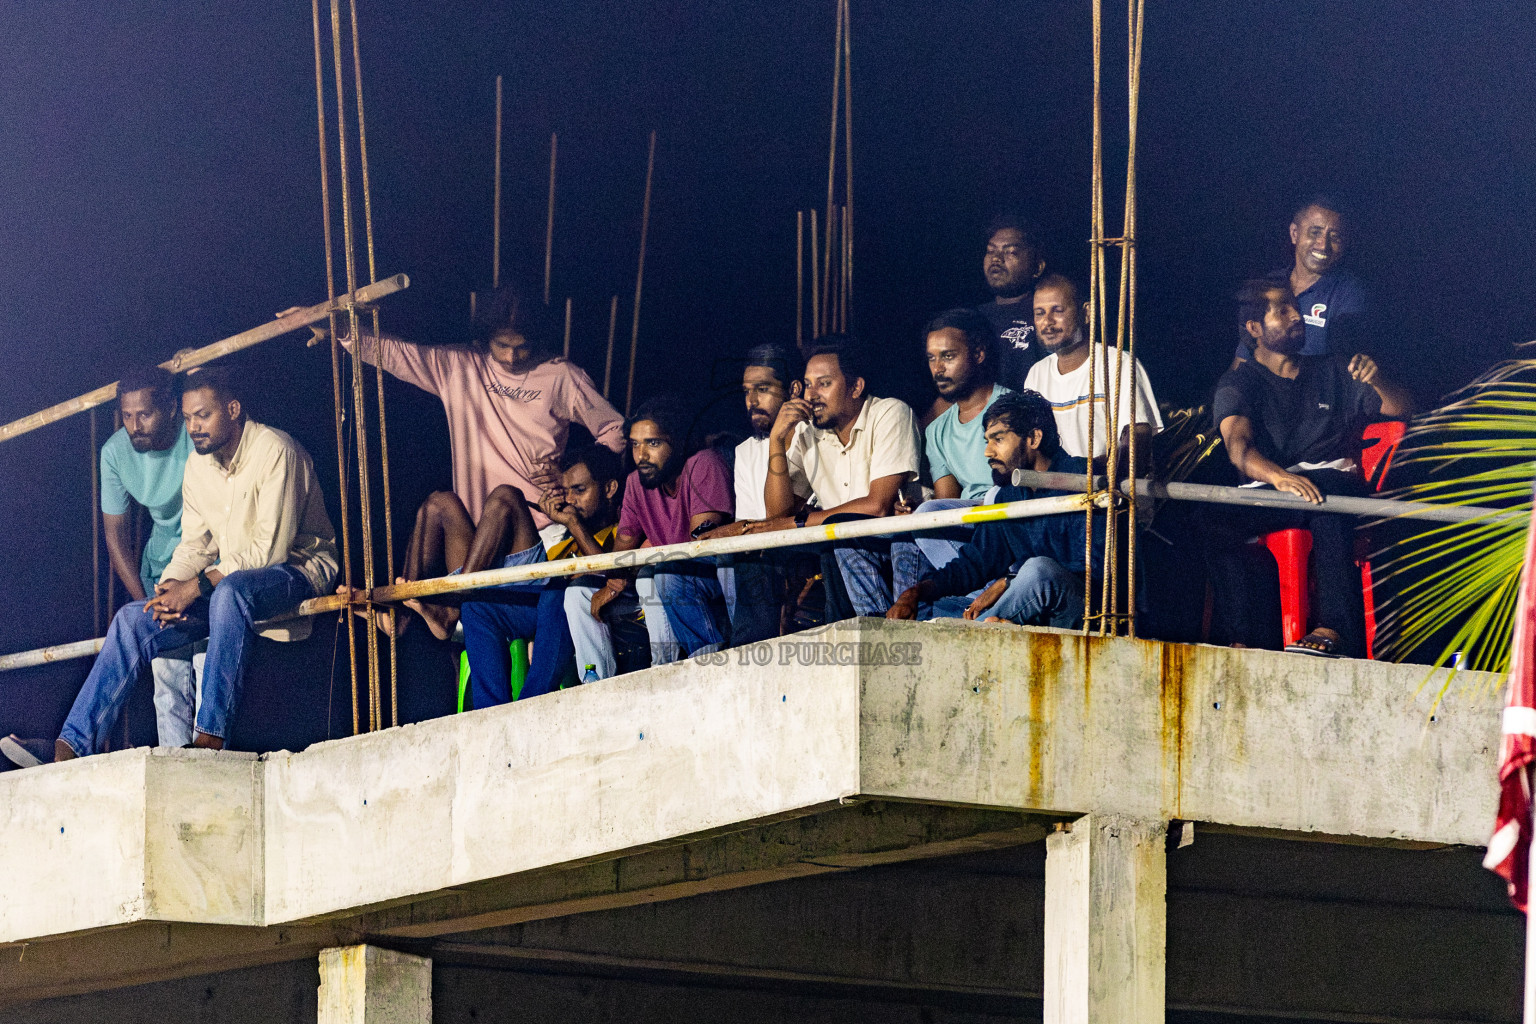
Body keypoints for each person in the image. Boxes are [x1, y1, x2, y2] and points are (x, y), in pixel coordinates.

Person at [6, 368, 339, 766]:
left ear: (233, 410)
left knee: (228, 594)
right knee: (133, 619)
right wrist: (168, 589)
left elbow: (267, 553)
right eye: (187, 419)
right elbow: (195, 543)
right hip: (233, 581)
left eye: (203, 416)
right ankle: (71, 745)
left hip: (298, 571)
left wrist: (195, 587)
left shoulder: (275, 452)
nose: (194, 427)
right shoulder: (200, 465)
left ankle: (210, 739)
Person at [335, 285, 625, 639]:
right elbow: (400, 354)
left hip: (533, 531)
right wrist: (344, 332)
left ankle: (451, 606)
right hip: (476, 542)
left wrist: (570, 474)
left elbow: (614, 430)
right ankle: (400, 615)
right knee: (437, 503)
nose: (511, 357)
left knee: (504, 496)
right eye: (501, 345)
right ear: (486, 336)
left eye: (522, 347)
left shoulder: (561, 376)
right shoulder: (460, 365)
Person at [1207, 279, 1412, 658]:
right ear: (1254, 328)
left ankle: (1334, 629)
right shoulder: (1240, 382)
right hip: (1276, 489)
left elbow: (1400, 408)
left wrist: (1375, 377)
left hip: (1333, 486)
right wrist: (1279, 477)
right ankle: (1241, 638)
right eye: (1281, 310)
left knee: (1327, 505)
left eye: (1294, 307)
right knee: (1215, 519)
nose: (1295, 316)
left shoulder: (1334, 370)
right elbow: (1239, 448)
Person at [888, 390, 1096, 626]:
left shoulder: (1083, 479)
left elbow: (1100, 572)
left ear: (1034, 439)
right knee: (940, 608)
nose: (988, 451)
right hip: (1039, 612)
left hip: (1089, 612)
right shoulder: (1010, 495)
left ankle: (969, 637)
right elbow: (975, 564)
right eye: (987, 441)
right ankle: (979, 628)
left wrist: (1010, 581)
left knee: (1038, 570)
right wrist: (914, 593)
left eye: (998, 439)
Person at [750, 335, 921, 618]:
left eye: (824, 383)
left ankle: (876, 634)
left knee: (839, 537)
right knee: (757, 559)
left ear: (856, 387)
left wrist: (799, 523)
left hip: (898, 541)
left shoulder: (890, 412)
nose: (811, 394)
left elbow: (877, 506)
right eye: (807, 384)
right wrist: (777, 441)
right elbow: (777, 513)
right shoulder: (808, 432)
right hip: (845, 546)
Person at [101, 366, 204, 749]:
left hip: (208, 554)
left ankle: (212, 759)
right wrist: (146, 603)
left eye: (144, 414)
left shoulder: (195, 433)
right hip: (160, 565)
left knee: (207, 662)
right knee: (167, 675)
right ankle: (176, 763)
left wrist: (197, 370)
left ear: (172, 408)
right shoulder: (114, 452)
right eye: (127, 416)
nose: (134, 425)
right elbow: (115, 535)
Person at [591, 397, 734, 661]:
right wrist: (613, 583)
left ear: (678, 442)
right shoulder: (635, 482)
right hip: (672, 573)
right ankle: (597, 680)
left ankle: (708, 662)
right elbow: (622, 549)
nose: (641, 456)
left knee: (662, 573)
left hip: (714, 572)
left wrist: (635, 565)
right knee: (579, 592)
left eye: (653, 443)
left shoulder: (703, 463)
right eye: (635, 445)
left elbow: (700, 544)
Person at [891, 309, 1012, 596]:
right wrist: (915, 510)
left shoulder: (1010, 405)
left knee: (931, 514)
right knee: (907, 533)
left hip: (1007, 511)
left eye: (948, 356)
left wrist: (928, 513)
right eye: (932, 358)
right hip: (969, 522)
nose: (938, 369)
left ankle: (985, 591)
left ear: (979, 354)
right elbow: (946, 503)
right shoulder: (936, 430)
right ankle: (977, 595)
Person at [697, 344, 806, 645]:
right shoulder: (745, 451)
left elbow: (780, 514)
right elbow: (750, 522)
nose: (752, 401)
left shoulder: (814, 436)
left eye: (763, 389)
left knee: (756, 560)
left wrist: (777, 441)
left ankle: (745, 653)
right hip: (763, 554)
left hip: (803, 548)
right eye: (747, 391)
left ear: (794, 389)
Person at [1024, 274, 1163, 463]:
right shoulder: (1036, 374)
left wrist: (1086, 472)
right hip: (1057, 489)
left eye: (1057, 311)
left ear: (1087, 313)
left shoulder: (1117, 363)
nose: (1047, 322)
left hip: (1106, 487)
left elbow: (1137, 441)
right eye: (1040, 313)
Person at [1229, 198, 1366, 370]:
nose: (1323, 245)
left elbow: (1346, 369)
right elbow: (1242, 359)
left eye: (1335, 237)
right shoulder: (1270, 285)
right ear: (1295, 233)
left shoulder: (1349, 295)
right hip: (1263, 394)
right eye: (1315, 232)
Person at [976, 214, 1047, 390]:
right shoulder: (974, 318)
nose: (996, 258)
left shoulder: (1046, 312)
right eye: (990, 251)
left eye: (1010, 252)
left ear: (1037, 267)